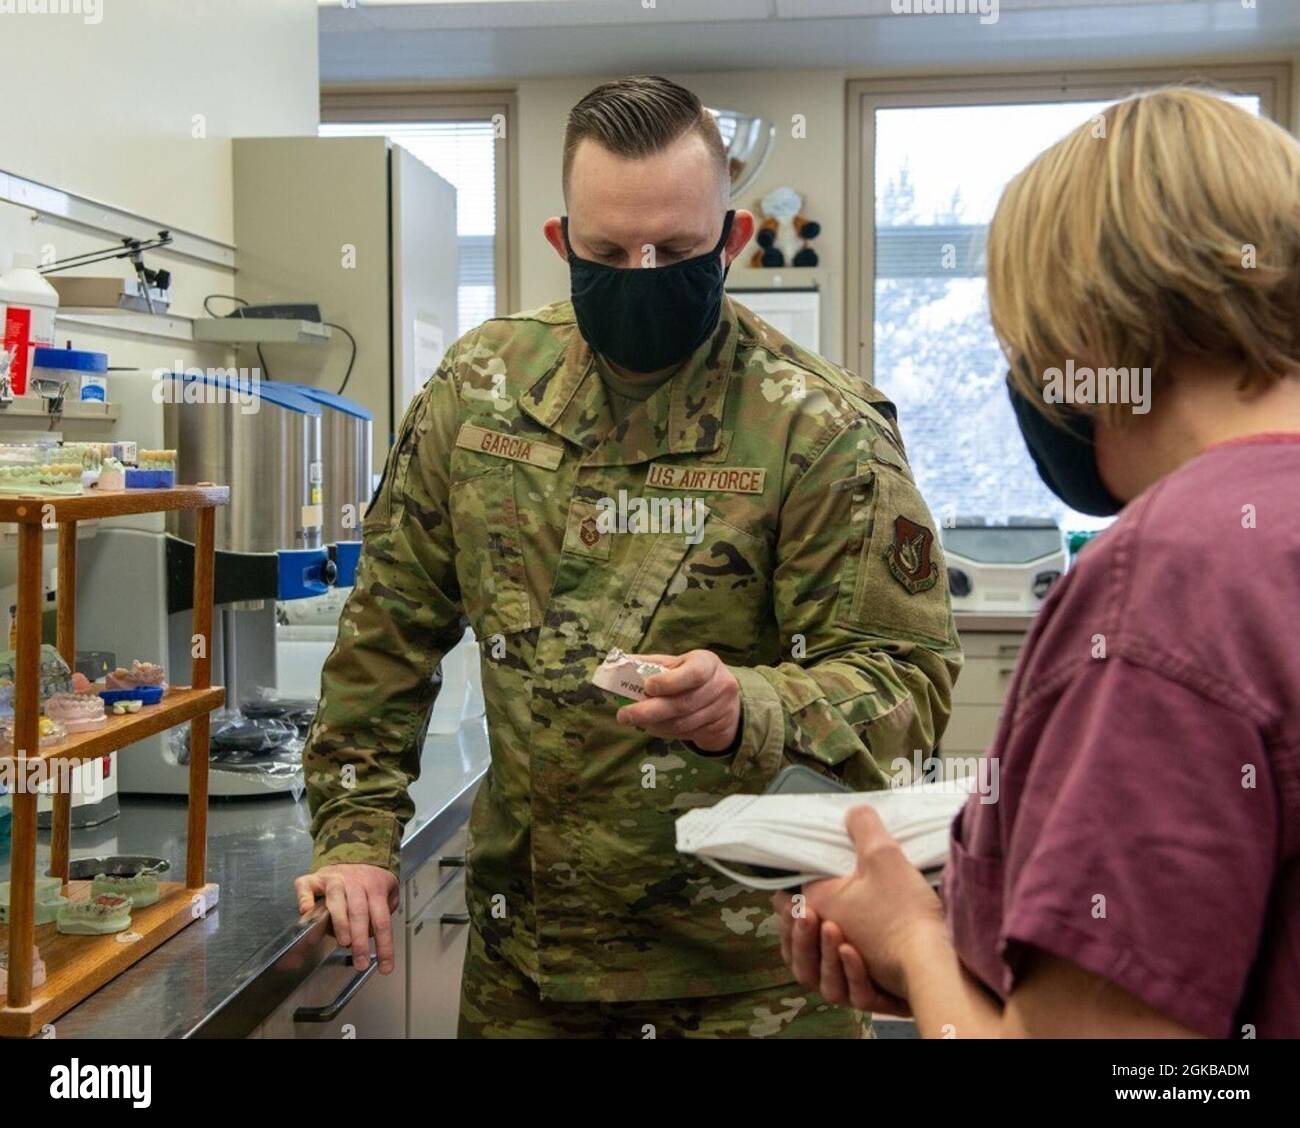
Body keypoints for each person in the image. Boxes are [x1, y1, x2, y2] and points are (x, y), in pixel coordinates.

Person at [295, 74, 961, 1038]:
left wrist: (750, 707)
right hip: (526, 972)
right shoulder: (481, 394)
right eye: (609, 251)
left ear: (731, 240)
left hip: (751, 977)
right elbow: (386, 635)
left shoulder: (817, 427)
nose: (643, 270)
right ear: (561, 242)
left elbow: (908, 690)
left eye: (677, 250)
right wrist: (356, 836)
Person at [775, 86, 1300, 1038]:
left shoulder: (1170, 577)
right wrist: (975, 990)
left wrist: (914, 939)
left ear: (1091, 333)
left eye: (1025, 344)